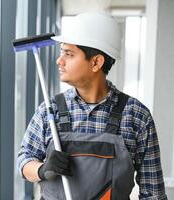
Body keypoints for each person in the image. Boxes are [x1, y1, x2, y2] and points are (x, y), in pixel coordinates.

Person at [17, 12, 168, 200]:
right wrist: (42, 169)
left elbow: (153, 194)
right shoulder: (51, 109)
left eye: (69, 54)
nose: (59, 61)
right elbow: (24, 161)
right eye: (61, 52)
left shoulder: (136, 116)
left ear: (96, 62)